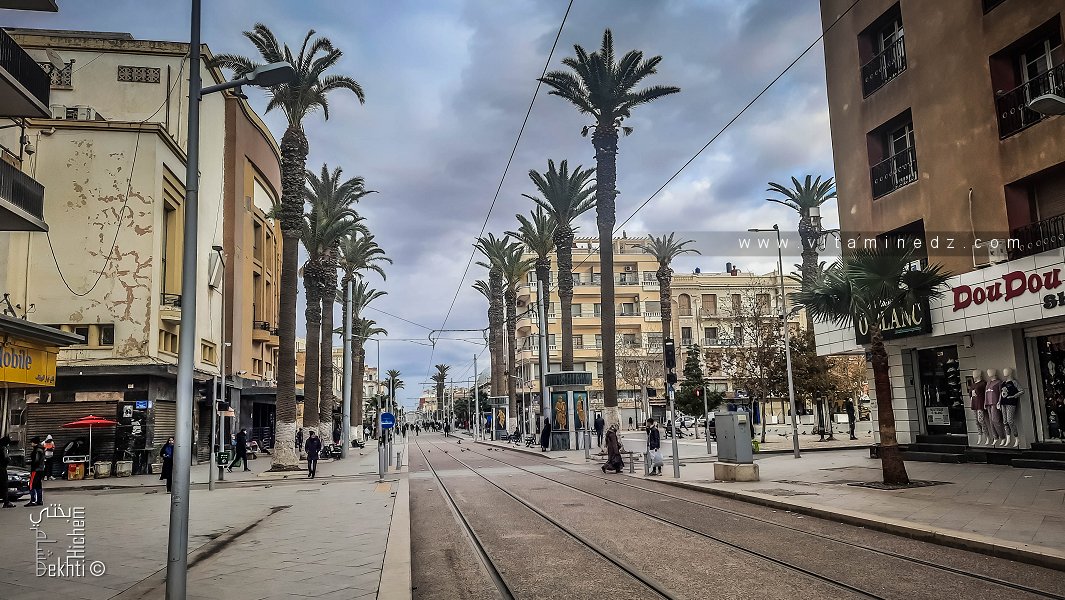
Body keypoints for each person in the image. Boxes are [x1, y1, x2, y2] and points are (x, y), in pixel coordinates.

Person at [27, 436, 45, 506]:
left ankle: (33, 500)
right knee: (38, 485)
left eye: (32, 442)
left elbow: (36, 461)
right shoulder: (41, 449)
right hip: (40, 469)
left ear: (34, 443)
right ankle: (39, 500)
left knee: (31, 485)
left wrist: (31, 464)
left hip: (36, 470)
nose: (31, 444)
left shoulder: (37, 450)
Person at [0, 435, 14, 508]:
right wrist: (9, 459)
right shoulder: (3, 448)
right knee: (4, 485)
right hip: (2, 469)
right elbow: (6, 458)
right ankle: (6, 502)